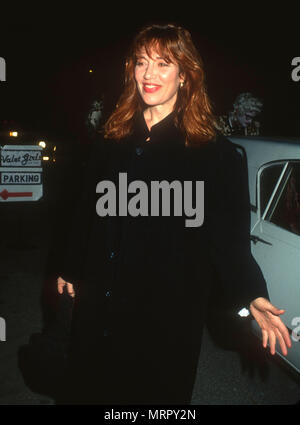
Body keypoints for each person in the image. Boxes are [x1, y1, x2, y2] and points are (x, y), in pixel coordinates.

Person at [56, 24, 291, 405]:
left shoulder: (214, 154)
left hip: (164, 314)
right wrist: (71, 266)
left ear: (185, 75)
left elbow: (229, 241)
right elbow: (87, 212)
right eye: (141, 62)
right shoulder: (110, 139)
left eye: (163, 64)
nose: (148, 74)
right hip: (100, 300)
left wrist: (252, 295)